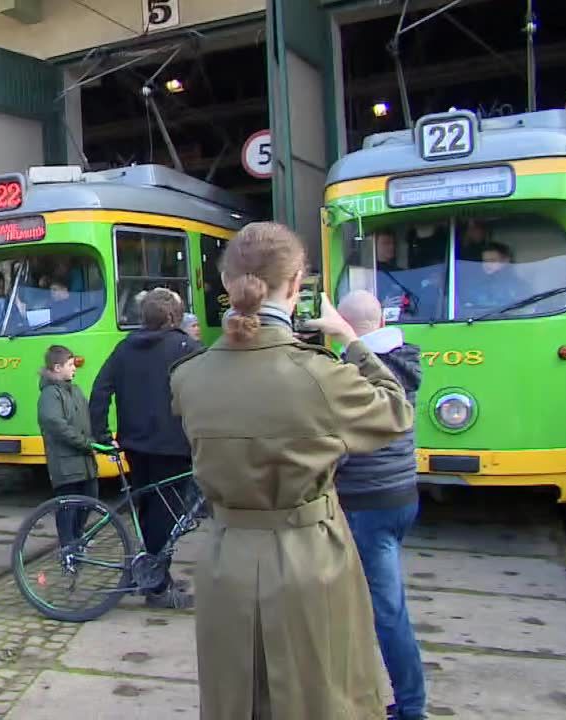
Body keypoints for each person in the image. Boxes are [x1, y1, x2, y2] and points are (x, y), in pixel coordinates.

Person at [169, 221, 413, 719]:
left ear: (226, 282)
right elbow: (396, 412)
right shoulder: (319, 373)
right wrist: (350, 339)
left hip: (224, 560)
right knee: (321, 698)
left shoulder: (188, 377)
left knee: (235, 701)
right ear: (297, 281)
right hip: (308, 560)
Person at [336, 291, 427, 720]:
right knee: (382, 604)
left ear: (347, 325)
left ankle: (410, 707)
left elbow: (344, 444)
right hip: (402, 496)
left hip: (366, 501)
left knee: (386, 611)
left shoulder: (358, 370)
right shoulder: (404, 358)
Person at [88, 288, 198, 609]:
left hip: (134, 444)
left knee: (149, 510)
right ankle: (158, 587)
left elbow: (99, 389)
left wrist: (102, 434)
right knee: (167, 516)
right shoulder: (186, 348)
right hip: (174, 447)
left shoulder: (125, 348)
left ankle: (153, 575)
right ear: (174, 317)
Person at [37, 345, 98, 545]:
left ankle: (77, 539)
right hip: (66, 464)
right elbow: (55, 424)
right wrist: (85, 443)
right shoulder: (50, 395)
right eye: (70, 365)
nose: (74, 368)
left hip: (84, 462)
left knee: (89, 499)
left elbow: (89, 419)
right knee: (68, 508)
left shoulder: (75, 390)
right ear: (57, 368)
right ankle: (68, 547)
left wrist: (99, 439)